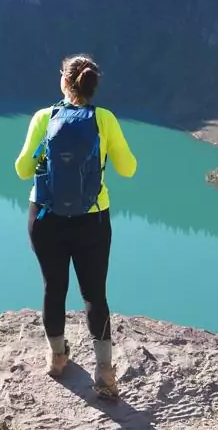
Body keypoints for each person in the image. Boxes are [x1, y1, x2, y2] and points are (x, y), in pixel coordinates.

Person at [13, 54, 137, 401]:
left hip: (45, 218)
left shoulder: (44, 117)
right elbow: (128, 169)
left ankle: (57, 358)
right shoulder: (105, 120)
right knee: (94, 295)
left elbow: (23, 169)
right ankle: (104, 372)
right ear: (93, 86)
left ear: (64, 83)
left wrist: (45, 155)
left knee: (54, 288)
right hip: (93, 219)